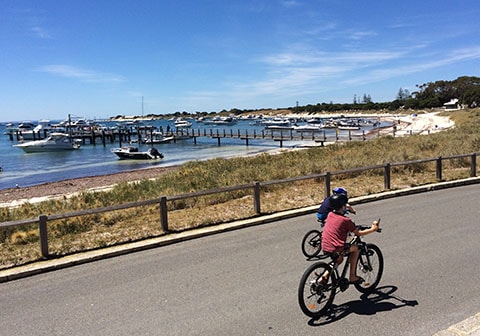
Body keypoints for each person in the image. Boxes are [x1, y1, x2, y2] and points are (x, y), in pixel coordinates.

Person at [321, 193, 379, 283]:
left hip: (325, 245)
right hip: (337, 247)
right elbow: (358, 233)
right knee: (356, 249)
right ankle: (352, 276)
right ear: (343, 207)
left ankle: (324, 276)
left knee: (339, 259)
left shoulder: (330, 215)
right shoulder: (346, 220)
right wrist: (373, 229)